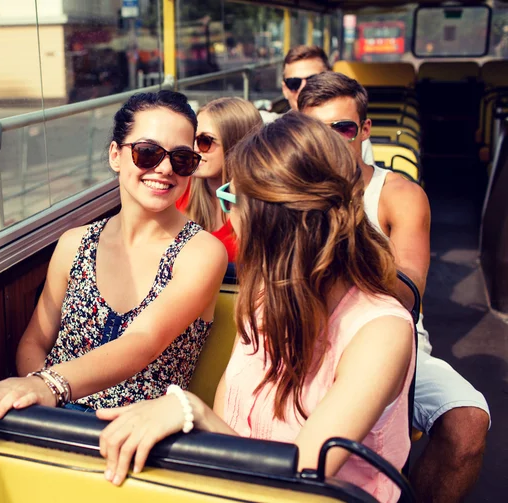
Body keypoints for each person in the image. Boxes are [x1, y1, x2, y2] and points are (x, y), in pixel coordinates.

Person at [96, 113, 415, 503]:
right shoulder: (264, 297)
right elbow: (230, 423)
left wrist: (192, 411)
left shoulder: (380, 332)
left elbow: (301, 475)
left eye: (233, 199)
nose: (228, 215)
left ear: (273, 218)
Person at [0, 90, 228, 423]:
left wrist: (50, 385)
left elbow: (141, 343)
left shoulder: (201, 253)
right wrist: (42, 397)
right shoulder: (74, 244)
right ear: (115, 156)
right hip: (52, 418)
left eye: (181, 159)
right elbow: (34, 341)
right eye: (148, 153)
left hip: (135, 434)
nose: (165, 169)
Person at [298, 72, 490, 503]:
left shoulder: (398, 194)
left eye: (342, 129)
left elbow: (408, 295)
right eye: (315, 131)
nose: (329, 143)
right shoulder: (286, 190)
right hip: (302, 333)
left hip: (390, 339)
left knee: (468, 421)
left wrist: (342, 234)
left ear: (364, 130)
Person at [176, 97, 263, 262]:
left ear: (237, 145)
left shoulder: (259, 208)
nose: (193, 149)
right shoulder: (179, 189)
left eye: (205, 141)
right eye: (191, 138)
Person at [261, 45, 374, 165]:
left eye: (313, 80)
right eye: (294, 83)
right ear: (285, 89)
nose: (303, 88)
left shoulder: (350, 132)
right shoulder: (269, 130)